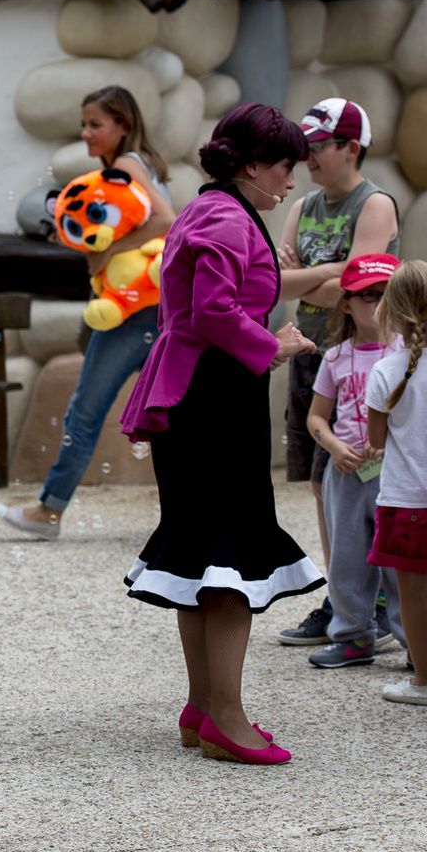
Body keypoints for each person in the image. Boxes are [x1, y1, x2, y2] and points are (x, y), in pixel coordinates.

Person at [120, 102, 324, 766]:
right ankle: (227, 719)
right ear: (254, 165)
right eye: (286, 166)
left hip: (194, 396)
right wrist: (273, 344)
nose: (291, 180)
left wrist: (270, 329)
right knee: (230, 552)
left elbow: (210, 306)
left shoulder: (212, 209)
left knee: (200, 553)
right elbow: (213, 311)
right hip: (212, 401)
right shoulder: (226, 216)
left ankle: (204, 706)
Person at [0, 86, 175, 539]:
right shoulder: (133, 167)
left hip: (134, 314)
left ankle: (48, 512)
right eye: (84, 124)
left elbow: (166, 221)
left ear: (123, 125)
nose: (86, 133)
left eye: (96, 124)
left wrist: (106, 251)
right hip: (150, 308)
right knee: (171, 415)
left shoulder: (127, 166)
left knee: (85, 413)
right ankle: (196, 516)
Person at [273, 100, 399, 647]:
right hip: (310, 353)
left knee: (370, 479)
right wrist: (330, 276)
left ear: (350, 147)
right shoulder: (302, 205)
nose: (307, 158)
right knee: (321, 484)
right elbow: (277, 281)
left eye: (317, 146)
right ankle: (344, 598)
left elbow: (359, 286)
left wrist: (310, 277)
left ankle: (378, 603)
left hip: (366, 359)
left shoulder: (376, 204)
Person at [365, 261, 427, 707]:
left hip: (404, 499)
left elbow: (375, 441)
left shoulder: (385, 371)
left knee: (410, 592)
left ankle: (422, 680)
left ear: (391, 309)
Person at [304, 254, 404, 669]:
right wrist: (333, 447)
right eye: (367, 296)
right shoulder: (335, 358)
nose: (377, 304)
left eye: (385, 295)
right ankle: (352, 636)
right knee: (346, 557)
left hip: (395, 474)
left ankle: (418, 641)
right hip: (345, 472)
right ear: (346, 304)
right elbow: (316, 417)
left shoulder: (407, 353)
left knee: (400, 561)